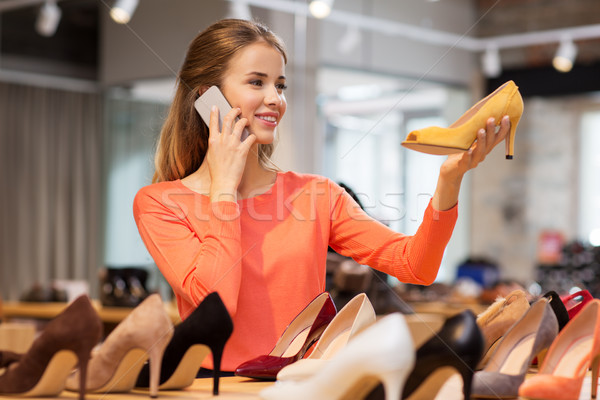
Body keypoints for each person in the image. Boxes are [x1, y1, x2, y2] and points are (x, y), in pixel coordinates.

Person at [133, 18, 511, 373]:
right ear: (206, 97)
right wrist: (223, 192)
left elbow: (417, 266)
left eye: (279, 85)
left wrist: (450, 177)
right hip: (211, 387)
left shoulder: (315, 194)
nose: (275, 99)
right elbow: (217, 304)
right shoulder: (159, 204)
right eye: (256, 82)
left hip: (303, 383)